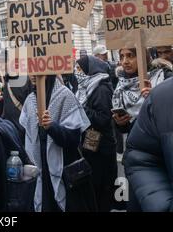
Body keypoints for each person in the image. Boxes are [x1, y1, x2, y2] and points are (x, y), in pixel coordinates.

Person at [19, 75, 95, 212]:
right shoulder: (30, 100)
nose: (32, 75)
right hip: (41, 173)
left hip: (64, 172)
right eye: (30, 70)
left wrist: (52, 127)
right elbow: (26, 134)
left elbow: (73, 139)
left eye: (37, 70)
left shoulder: (65, 96)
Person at [124, 78, 173, 212]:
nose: (125, 62)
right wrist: (162, 205)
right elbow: (144, 158)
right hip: (141, 136)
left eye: (130, 55)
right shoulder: (163, 96)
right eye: (123, 56)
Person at [75, 55, 117, 212]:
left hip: (102, 144)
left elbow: (103, 118)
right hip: (92, 140)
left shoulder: (100, 87)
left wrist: (81, 109)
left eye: (80, 69)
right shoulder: (86, 86)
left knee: (102, 184)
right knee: (93, 182)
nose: (76, 72)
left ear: (89, 70)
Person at [112, 48, 170, 135]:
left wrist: (156, 98)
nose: (125, 61)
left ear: (143, 57)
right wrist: (121, 123)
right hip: (136, 142)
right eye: (121, 57)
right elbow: (127, 127)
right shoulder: (121, 84)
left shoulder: (164, 77)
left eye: (130, 56)